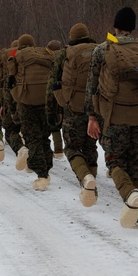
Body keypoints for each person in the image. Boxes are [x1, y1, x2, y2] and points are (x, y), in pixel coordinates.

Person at [86, 6, 138, 228]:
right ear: (133, 27)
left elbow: (92, 86)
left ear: (115, 26)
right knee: (135, 163)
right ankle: (135, 213)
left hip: (114, 116)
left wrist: (92, 117)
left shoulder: (102, 50)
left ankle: (129, 195)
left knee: (114, 161)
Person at [48, 23, 100, 206]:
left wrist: (53, 110)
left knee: (72, 147)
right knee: (90, 146)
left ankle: (85, 179)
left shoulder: (64, 54)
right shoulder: (100, 50)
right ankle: (91, 188)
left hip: (73, 108)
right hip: (96, 107)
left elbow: (53, 84)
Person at [9, 34, 54, 190]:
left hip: (27, 102)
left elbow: (10, 72)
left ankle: (41, 177)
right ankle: (47, 169)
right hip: (47, 100)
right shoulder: (45, 52)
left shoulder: (16, 54)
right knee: (44, 136)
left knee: (32, 138)